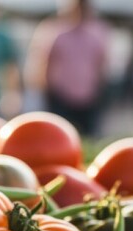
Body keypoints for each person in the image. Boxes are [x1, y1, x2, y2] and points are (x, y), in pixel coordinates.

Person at [26, 0, 109, 136]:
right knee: (58, 137)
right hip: (60, 97)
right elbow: (44, 62)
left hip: (89, 96)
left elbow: (101, 63)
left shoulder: (97, 33)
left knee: (88, 137)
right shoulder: (55, 32)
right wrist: (44, 90)